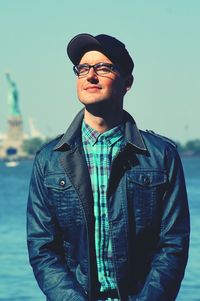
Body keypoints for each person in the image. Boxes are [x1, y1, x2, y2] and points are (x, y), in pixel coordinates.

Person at [27, 33, 190, 301]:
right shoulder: (49, 159)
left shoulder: (161, 156)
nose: (90, 76)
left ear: (127, 82)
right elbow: (42, 247)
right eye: (82, 68)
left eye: (103, 67)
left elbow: (173, 244)